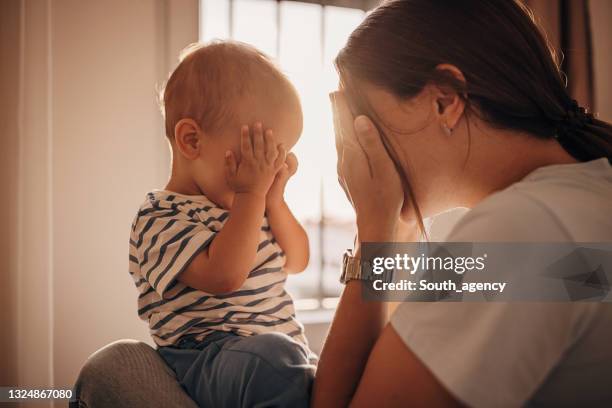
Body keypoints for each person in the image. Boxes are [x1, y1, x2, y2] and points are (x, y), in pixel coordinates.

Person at [311, 0, 612, 406]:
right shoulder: (581, 195)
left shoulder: (514, 234)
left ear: (444, 100)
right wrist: (398, 229)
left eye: (362, 118)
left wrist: (374, 232)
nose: (354, 150)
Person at [128, 41, 315, 407]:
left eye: (276, 158)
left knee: (309, 367)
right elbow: (224, 277)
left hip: (279, 357)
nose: (268, 171)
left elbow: (297, 260)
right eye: (257, 156)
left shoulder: (254, 204)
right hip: (203, 360)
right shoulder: (159, 218)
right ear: (192, 140)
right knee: (274, 359)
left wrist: (273, 199)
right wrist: (251, 197)